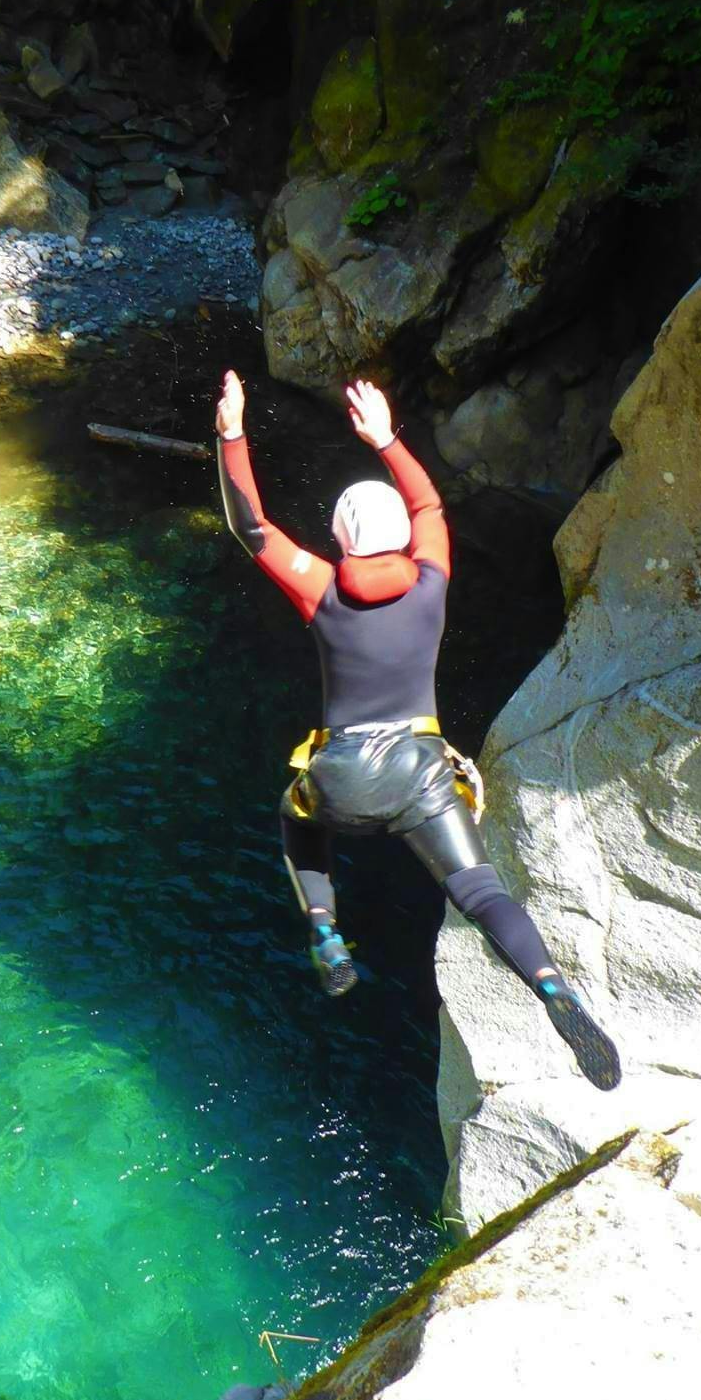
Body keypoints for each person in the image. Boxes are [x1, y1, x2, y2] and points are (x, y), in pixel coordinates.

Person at [214, 368, 621, 1092]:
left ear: (341, 535)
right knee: (483, 890)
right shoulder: (432, 576)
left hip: (341, 776)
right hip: (423, 776)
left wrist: (231, 433)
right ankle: (554, 986)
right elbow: (430, 503)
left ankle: (325, 930)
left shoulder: (323, 586)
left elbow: (251, 526)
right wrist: (386, 437)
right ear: (402, 533)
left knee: (297, 820)